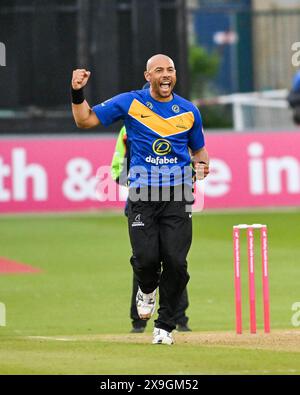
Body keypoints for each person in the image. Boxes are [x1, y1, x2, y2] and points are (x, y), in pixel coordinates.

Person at [71, 54, 209, 345]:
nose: (166, 74)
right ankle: (146, 290)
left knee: (176, 262)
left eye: (170, 69)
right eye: (159, 70)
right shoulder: (130, 102)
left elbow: (200, 152)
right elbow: (85, 120)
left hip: (178, 194)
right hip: (142, 195)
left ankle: (165, 327)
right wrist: (77, 92)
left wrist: (202, 166)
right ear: (148, 76)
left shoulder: (188, 111)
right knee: (146, 260)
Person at [111, 120, 192, 333]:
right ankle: (139, 321)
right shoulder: (129, 128)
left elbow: (192, 157)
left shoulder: (179, 124)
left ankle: (178, 318)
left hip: (173, 201)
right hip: (141, 202)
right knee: (146, 259)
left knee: (174, 260)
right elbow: (117, 168)